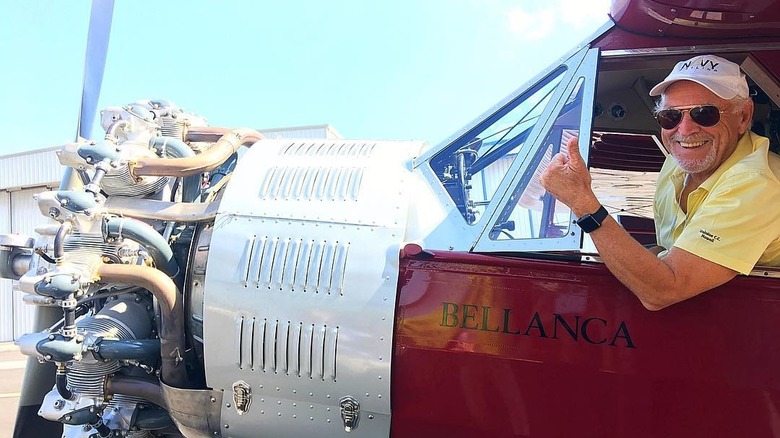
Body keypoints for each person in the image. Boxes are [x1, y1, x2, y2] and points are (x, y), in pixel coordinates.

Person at [540, 54, 780, 310]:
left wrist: (583, 204)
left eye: (704, 114)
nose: (685, 130)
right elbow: (667, 249)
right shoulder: (675, 164)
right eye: (670, 117)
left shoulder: (758, 183)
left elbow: (663, 290)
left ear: (743, 116)